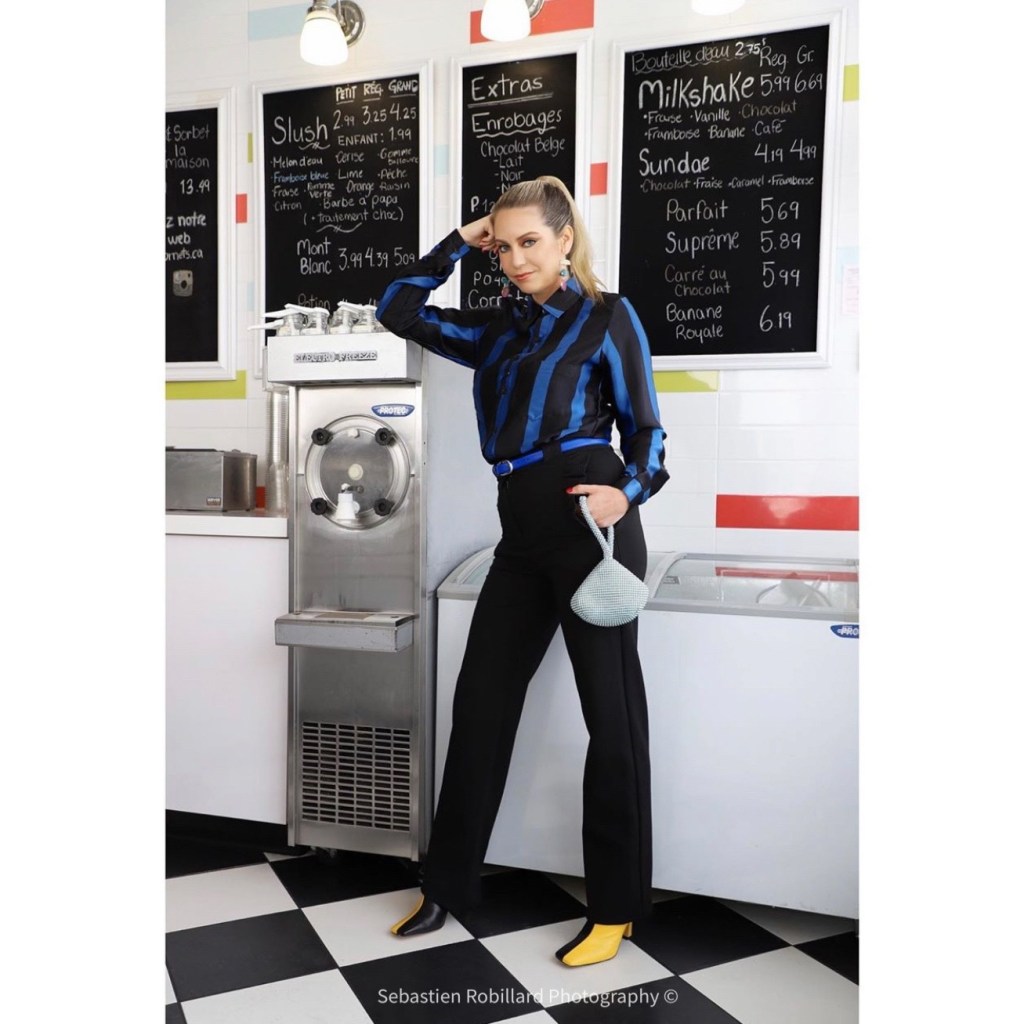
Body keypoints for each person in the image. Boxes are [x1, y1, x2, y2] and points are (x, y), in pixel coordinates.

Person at [376, 175, 668, 968]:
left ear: (566, 238)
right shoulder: (495, 330)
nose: (513, 259)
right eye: (502, 247)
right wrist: (458, 241)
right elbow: (396, 310)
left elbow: (648, 430)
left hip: (590, 528)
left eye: (529, 241)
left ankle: (616, 909)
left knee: (612, 719)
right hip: (521, 535)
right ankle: (447, 886)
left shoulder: (608, 316)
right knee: (480, 706)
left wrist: (625, 493)